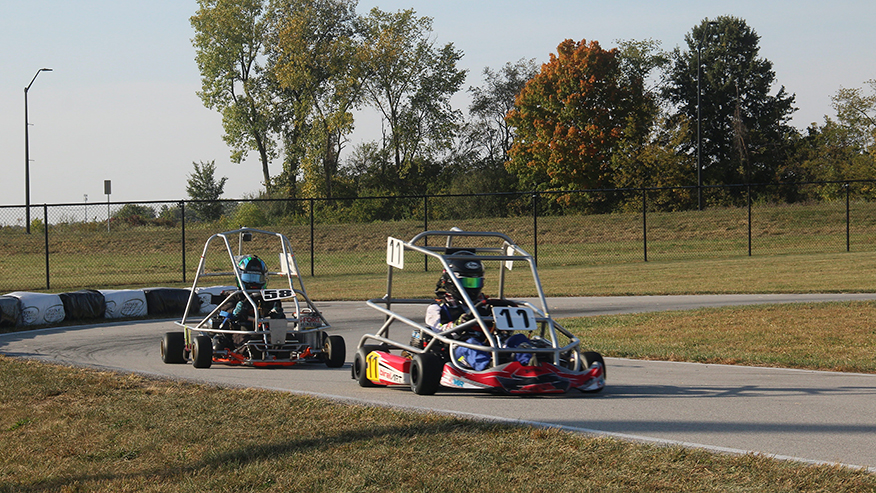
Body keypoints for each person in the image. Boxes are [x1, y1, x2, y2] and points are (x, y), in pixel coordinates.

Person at [417, 251, 531, 371]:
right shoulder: (438, 308)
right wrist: (458, 324)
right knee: (471, 345)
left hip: (491, 343)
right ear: (451, 281)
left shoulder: (485, 303)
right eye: (468, 282)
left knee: (518, 339)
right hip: (458, 348)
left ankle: (529, 365)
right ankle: (488, 368)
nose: (473, 287)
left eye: (476, 282)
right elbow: (438, 332)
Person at [213, 255, 282, 350]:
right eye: (249, 278)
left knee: (285, 338)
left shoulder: (269, 297)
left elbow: (278, 316)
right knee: (246, 341)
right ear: (240, 277)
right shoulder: (233, 295)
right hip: (239, 328)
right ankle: (251, 351)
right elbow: (225, 310)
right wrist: (235, 311)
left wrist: (277, 314)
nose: (253, 282)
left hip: (264, 329)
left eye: (257, 278)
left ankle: (284, 350)